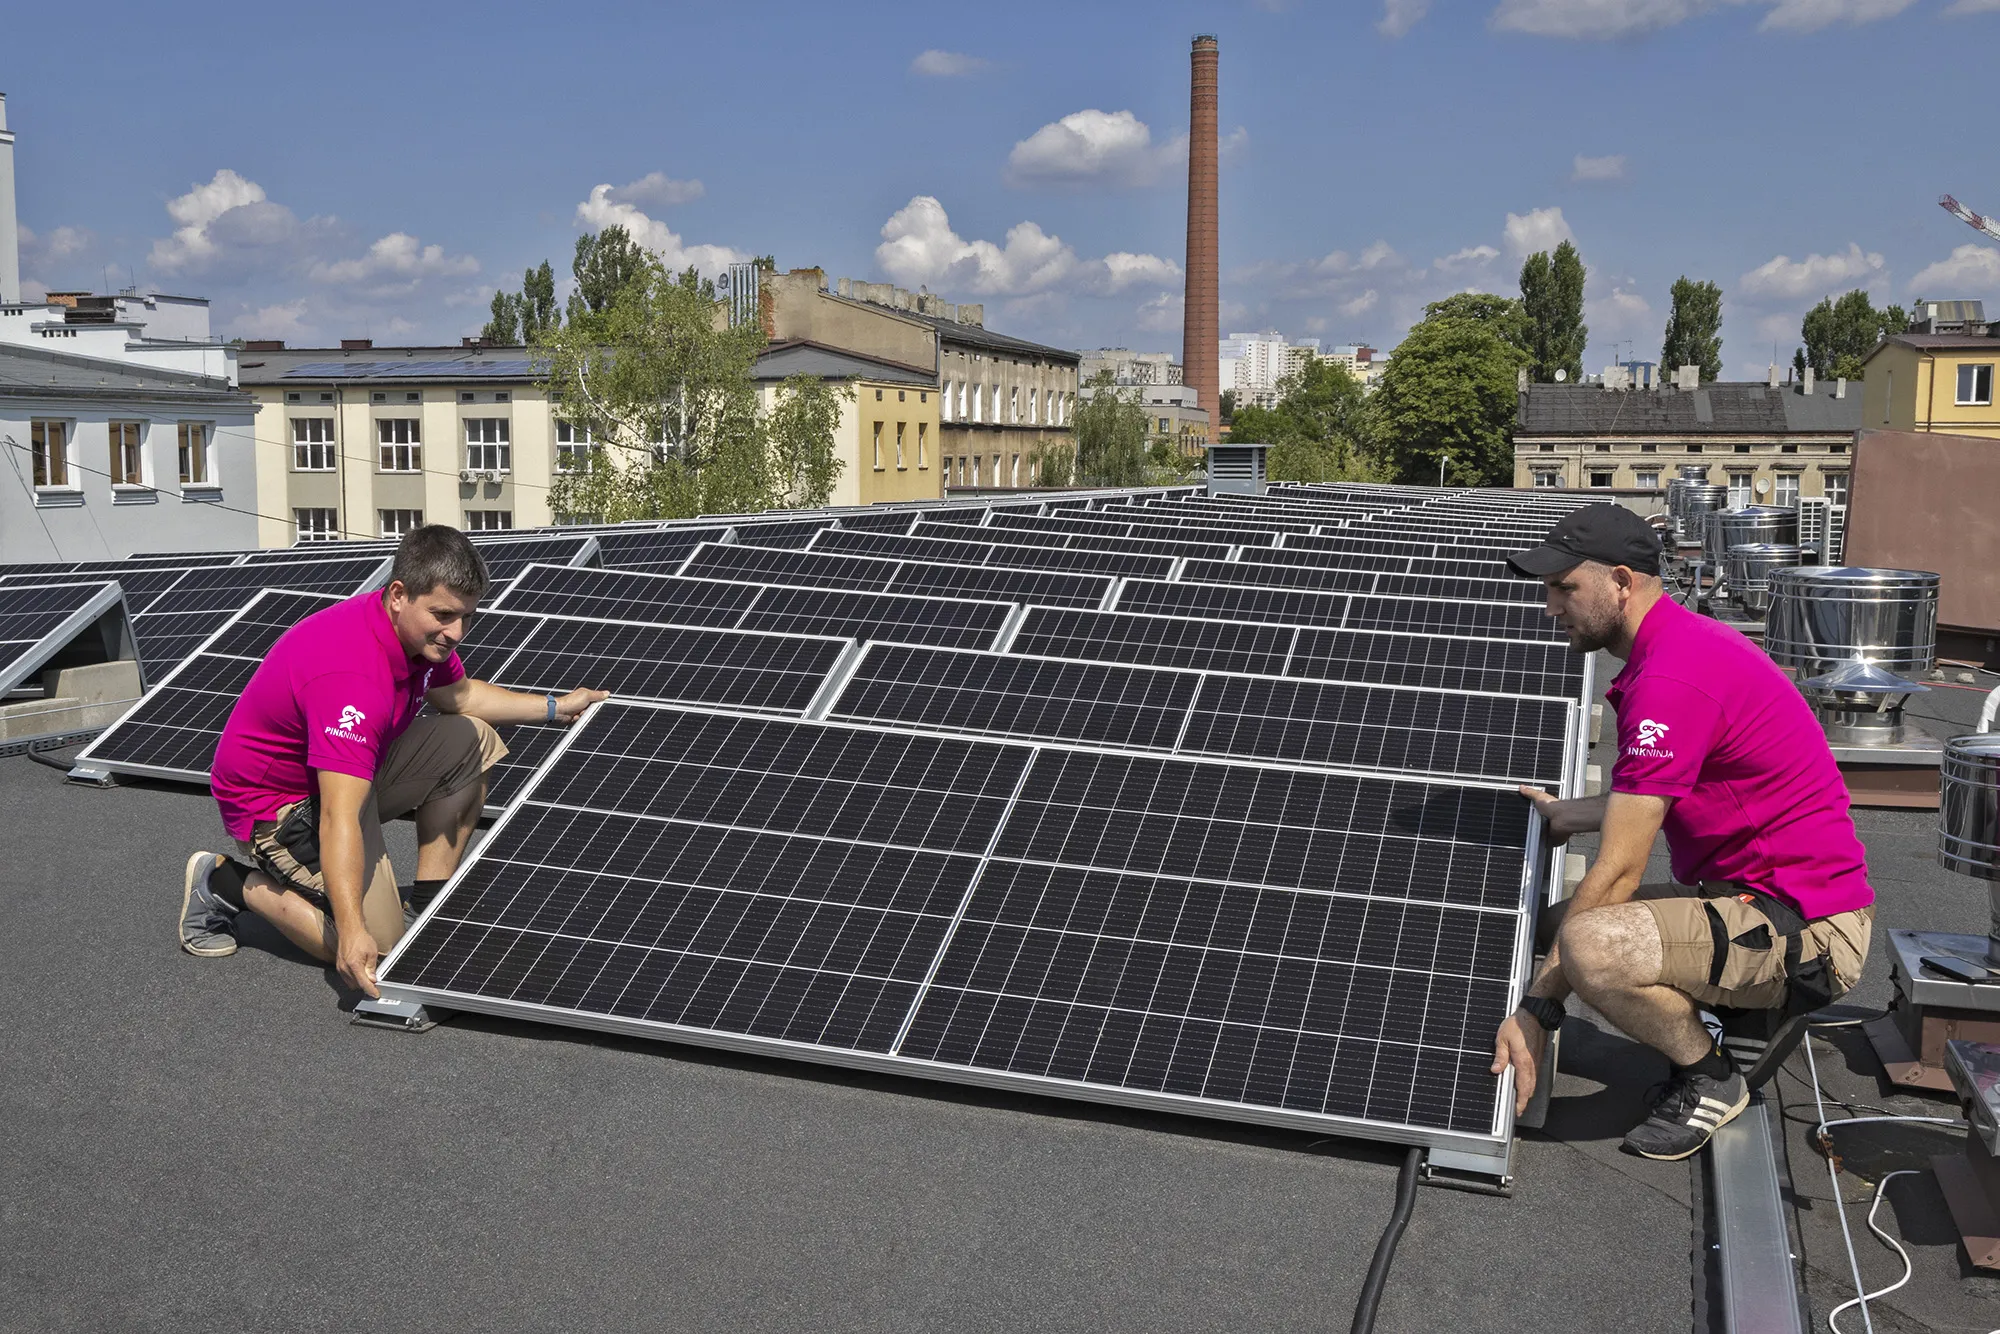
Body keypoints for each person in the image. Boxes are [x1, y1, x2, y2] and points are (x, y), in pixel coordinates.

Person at [1489, 504, 1873, 1160]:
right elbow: (1666, 790)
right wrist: (1572, 814)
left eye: (1564, 587)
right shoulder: (1678, 646)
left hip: (1810, 928)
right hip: (1753, 899)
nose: (1550, 607)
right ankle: (1746, 1009)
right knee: (1556, 928)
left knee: (1587, 946)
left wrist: (1538, 1010)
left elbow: (1619, 870)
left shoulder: (1671, 677)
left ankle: (1712, 1078)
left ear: (1620, 581)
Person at [176, 525, 607, 999]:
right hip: (280, 805)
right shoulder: (351, 674)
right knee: (377, 951)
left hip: (347, 772)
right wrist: (351, 929)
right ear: (399, 595)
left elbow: (460, 696)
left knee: (472, 738)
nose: (457, 632)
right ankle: (226, 882)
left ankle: (428, 904)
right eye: (444, 615)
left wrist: (555, 706)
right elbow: (338, 815)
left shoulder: (419, 637)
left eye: (467, 616)